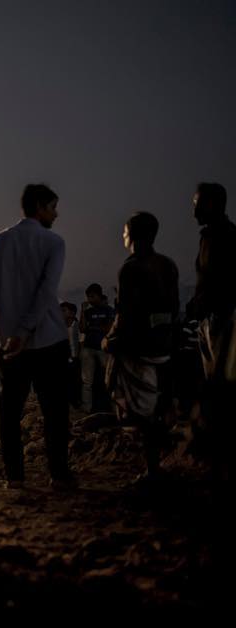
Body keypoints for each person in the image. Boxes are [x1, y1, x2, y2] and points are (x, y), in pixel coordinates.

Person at [0, 183, 74, 490]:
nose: (56, 214)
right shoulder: (54, 243)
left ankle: (14, 476)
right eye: (53, 207)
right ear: (40, 207)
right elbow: (46, 293)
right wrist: (24, 331)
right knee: (55, 412)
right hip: (47, 339)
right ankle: (58, 475)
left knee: (10, 411)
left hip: (10, 345)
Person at [103, 212, 180, 486]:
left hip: (139, 349)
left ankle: (153, 469)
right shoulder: (167, 265)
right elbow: (173, 308)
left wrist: (111, 339)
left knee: (141, 413)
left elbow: (126, 313)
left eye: (124, 232)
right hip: (164, 345)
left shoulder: (131, 268)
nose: (122, 236)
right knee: (157, 407)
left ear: (132, 235)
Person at [185, 182, 236, 487]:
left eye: (197, 204)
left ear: (213, 204)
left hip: (221, 319)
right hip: (210, 319)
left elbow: (220, 281)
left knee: (221, 387)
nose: (193, 210)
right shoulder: (211, 236)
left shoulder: (225, 236)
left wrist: (202, 303)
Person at [79, 283, 115, 412]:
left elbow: (108, 329)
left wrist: (93, 328)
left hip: (103, 349)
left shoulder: (109, 310)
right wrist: (82, 311)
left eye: (92, 296)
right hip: (88, 348)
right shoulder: (88, 312)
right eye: (88, 297)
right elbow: (82, 328)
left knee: (108, 379)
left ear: (99, 296)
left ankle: (113, 408)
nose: (89, 299)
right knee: (86, 381)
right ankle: (86, 409)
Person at [60, 301, 82, 408]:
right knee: (67, 380)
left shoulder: (78, 326)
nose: (61, 313)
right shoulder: (60, 328)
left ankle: (77, 401)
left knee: (77, 380)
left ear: (72, 313)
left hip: (78, 357)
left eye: (64, 311)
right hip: (66, 358)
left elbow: (82, 341)